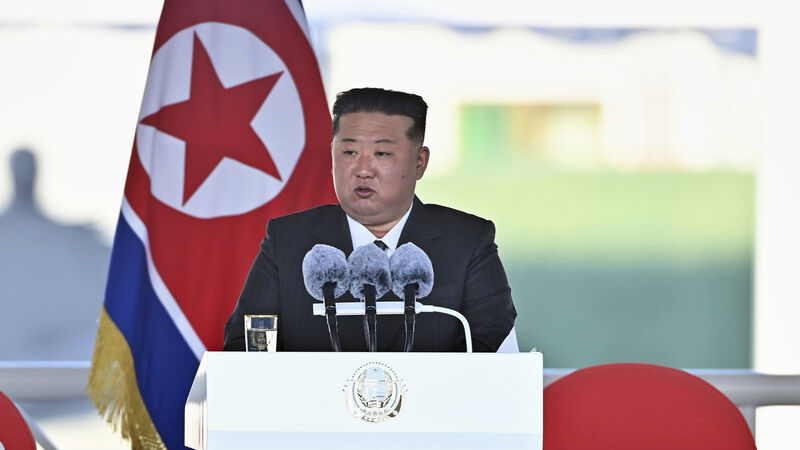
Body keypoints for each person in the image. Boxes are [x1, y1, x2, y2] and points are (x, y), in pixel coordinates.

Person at [223, 88, 516, 352]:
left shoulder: (467, 243)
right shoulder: (288, 241)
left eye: (382, 153)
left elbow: (494, 354)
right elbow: (244, 352)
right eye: (349, 152)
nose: (363, 169)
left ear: (420, 162)